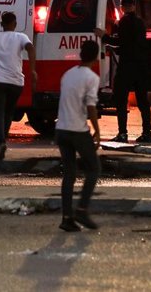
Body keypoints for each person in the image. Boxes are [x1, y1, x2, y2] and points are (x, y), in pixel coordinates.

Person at [55, 40, 101, 232]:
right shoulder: (91, 77)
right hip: (77, 130)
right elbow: (91, 106)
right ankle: (82, 208)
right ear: (96, 56)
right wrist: (97, 130)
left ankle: (67, 218)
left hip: (61, 129)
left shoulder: (68, 74)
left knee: (69, 174)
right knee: (94, 169)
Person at [95, 0, 151, 144]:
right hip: (141, 66)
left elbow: (121, 42)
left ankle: (122, 133)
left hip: (127, 66)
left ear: (121, 8)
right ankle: (147, 133)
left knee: (121, 100)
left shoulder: (123, 21)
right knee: (143, 101)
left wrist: (104, 37)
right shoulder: (141, 22)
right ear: (133, 6)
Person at [0, 12, 37, 160]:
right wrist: (32, 70)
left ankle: (1, 142)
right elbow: (30, 48)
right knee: (8, 112)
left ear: (1, 24)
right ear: (15, 24)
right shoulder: (21, 37)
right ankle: (3, 140)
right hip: (16, 82)